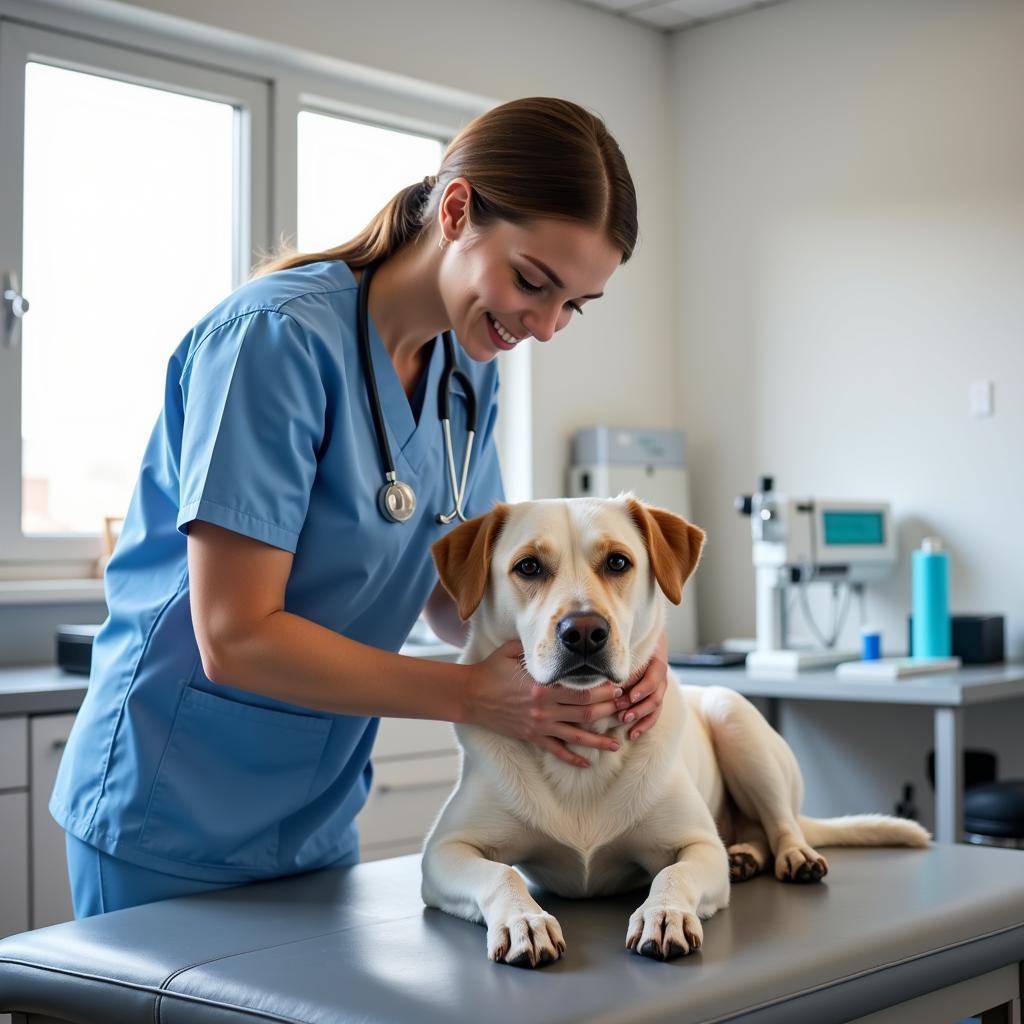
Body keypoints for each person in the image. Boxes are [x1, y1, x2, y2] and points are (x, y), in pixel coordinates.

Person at [50, 96, 668, 918]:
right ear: (456, 210)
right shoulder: (274, 340)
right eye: (532, 282)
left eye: (574, 305)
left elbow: (464, 604)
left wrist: (604, 662)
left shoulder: (466, 370)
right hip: (170, 809)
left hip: (315, 816)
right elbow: (234, 637)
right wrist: (472, 695)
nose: (548, 326)